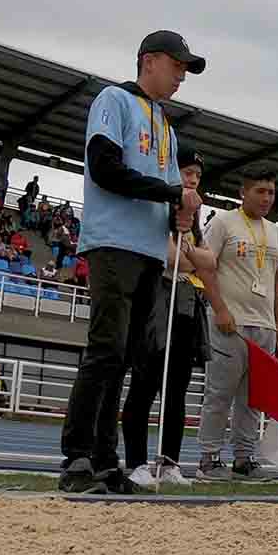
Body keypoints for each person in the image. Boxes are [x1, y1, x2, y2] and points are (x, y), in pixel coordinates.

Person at [57, 29, 205, 495]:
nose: (181, 76)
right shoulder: (114, 100)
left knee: (124, 359)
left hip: (149, 254)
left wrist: (180, 212)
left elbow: (168, 193)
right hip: (113, 243)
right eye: (177, 65)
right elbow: (104, 167)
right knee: (105, 350)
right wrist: (170, 193)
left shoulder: (167, 127)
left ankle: (106, 460)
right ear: (149, 61)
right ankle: (77, 456)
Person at [122, 146, 215, 476]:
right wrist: (191, 257)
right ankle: (136, 462)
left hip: (186, 306)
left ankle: (170, 463)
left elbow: (209, 262)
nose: (193, 179)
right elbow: (172, 258)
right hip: (156, 303)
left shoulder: (194, 221)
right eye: (187, 172)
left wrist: (189, 251)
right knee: (144, 384)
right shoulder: (158, 207)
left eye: (198, 175)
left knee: (177, 389)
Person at [196, 165, 278, 481]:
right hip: (230, 323)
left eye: (271, 192)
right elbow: (205, 268)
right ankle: (209, 459)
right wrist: (220, 309)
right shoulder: (223, 222)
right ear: (243, 193)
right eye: (260, 191)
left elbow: (276, 279)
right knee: (219, 393)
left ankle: (244, 459)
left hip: (265, 327)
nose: (266, 198)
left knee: (253, 399)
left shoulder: (274, 231)